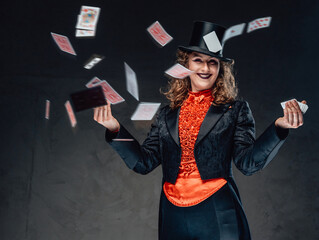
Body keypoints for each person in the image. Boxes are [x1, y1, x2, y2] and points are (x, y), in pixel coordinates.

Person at [93, 21, 306, 240]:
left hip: (217, 208)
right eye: (198, 60)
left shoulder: (235, 110)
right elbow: (143, 163)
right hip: (173, 214)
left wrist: (279, 127)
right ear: (185, 65)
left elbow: (247, 164)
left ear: (220, 68)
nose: (205, 68)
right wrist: (114, 128)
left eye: (212, 62)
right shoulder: (166, 114)